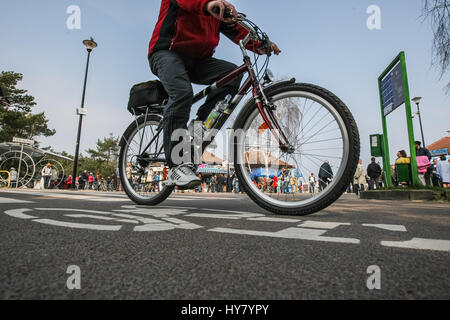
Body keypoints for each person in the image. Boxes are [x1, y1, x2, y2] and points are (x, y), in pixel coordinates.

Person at [148, 0, 280, 189]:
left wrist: (260, 45)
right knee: (182, 93)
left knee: (232, 75)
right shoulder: (204, 3)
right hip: (167, 52)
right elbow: (190, 3)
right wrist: (209, 4)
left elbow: (236, 30)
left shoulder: (217, 8)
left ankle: (199, 129)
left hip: (199, 61)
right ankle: (177, 166)